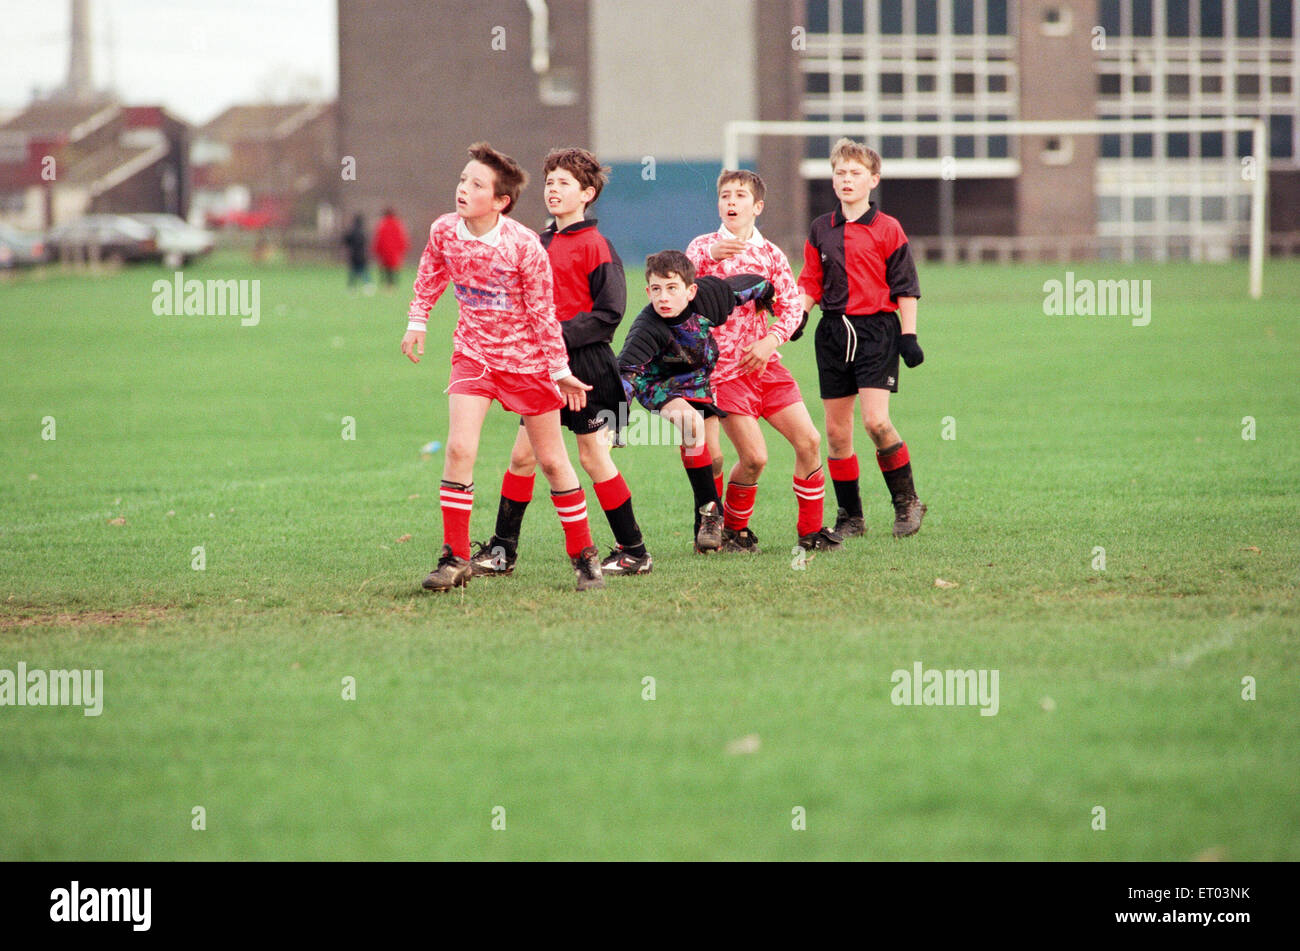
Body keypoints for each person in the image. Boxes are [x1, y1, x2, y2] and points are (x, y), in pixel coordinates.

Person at [401, 142, 604, 591]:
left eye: (476, 184)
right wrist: (418, 321)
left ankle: (584, 557)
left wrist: (558, 370)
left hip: (528, 364)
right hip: (473, 356)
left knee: (551, 461)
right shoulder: (444, 230)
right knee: (458, 450)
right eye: (462, 180)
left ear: (500, 201)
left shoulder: (525, 246)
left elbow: (543, 314)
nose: (463, 189)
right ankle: (454, 559)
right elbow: (432, 271)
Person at [471, 147, 651, 578]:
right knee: (522, 458)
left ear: (586, 194)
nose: (553, 189)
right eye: (549, 181)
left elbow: (609, 314)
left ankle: (635, 552)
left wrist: (554, 336)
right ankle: (502, 551)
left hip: (585, 368)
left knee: (592, 458)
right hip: (541, 369)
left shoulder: (597, 246)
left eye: (563, 183)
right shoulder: (537, 242)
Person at [686, 169, 843, 554]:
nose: (731, 202)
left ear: (757, 206)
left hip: (765, 367)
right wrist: (708, 257)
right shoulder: (701, 248)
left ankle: (811, 531)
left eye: (740, 195)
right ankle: (733, 530)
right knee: (754, 458)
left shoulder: (771, 254)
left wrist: (771, 340)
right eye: (725, 195)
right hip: (723, 374)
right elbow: (681, 291)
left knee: (809, 441)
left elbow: (791, 307)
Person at [797, 138, 926, 538]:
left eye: (855, 173)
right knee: (836, 433)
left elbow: (905, 285)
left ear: (873, 180)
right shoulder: (821, 228)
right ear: (833, 180)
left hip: (877, 333)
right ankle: (851, 517)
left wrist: (909, 335)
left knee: (875, 421)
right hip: (833, 333)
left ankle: (907, 503)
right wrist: (799, 315)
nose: (847, 179)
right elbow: (811, 280)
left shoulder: (889, 229)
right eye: (840, 173)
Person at [618, 250, 773, 553]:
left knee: (713, 458)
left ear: (690, 291)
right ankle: (711, 516)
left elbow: (748, 286)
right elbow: (627, 375)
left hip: (699, 382)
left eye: (672, 288)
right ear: (647, 291)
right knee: (690, 424)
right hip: (659, 385)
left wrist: (768, 293)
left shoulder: (709, 299)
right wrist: (617, 422)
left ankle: (702, 535)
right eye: (657, 289)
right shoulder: (646, 328)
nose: (664, 297)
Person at [372, 207, 411, 289]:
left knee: (385, 269)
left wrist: (377, 250)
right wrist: (403, 250)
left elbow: (378, 239)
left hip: (384, 252)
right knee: (394, 269)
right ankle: (393, 285)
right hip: (395, 252)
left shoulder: (382, 225)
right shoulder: (398, 224)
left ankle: (385, 285)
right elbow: (402, 239)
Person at [342, 214, 373, 293]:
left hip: (353, 254)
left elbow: (346, 241)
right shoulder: (363, 232)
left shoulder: (351, 231)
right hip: (362, 254)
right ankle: (368, 285)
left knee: (353, 271)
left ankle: (351, 287)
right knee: (364, 270)